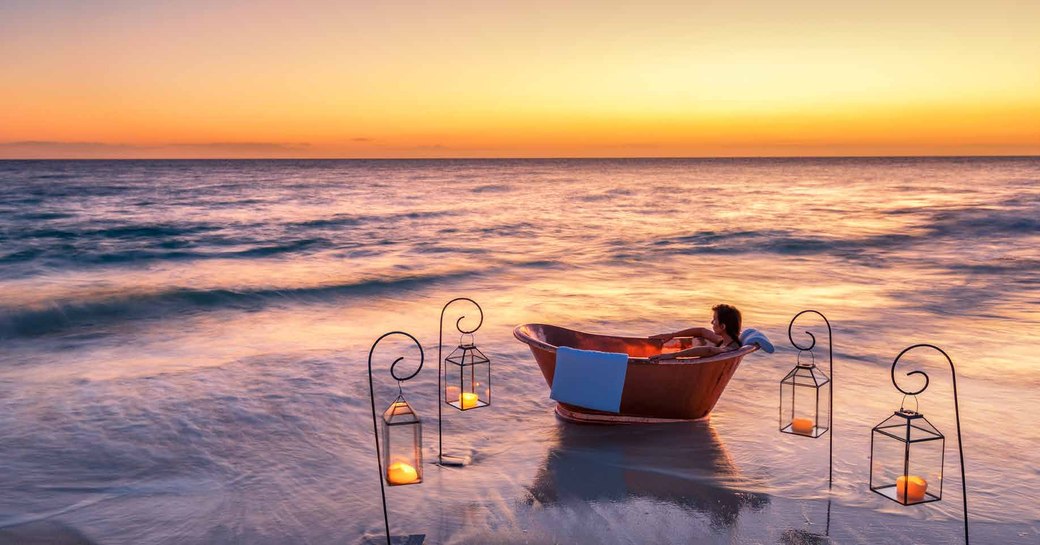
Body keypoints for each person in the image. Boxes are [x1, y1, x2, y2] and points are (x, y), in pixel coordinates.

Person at [647, 304, 742, 362]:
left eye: (714, 320)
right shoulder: (722, 341)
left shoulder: (730, 349)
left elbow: (709, 350)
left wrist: (672, 355)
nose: (711, 323)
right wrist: (672, 335)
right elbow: (701, 331)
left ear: (722, 326)